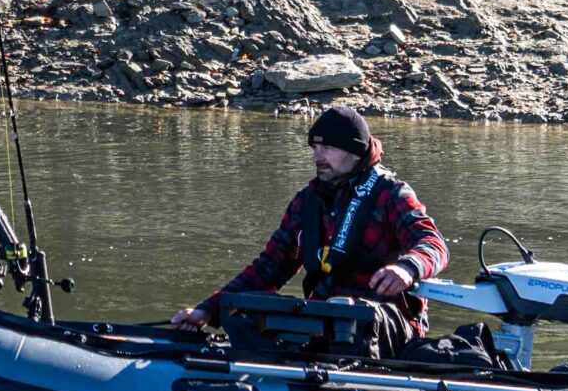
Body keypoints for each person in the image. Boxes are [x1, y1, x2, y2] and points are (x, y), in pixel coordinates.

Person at [169, 105, 448, 350]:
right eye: (314, 148)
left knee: (350, 317)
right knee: (242, 306)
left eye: (327, 148)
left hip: (385, 321)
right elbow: (269, 266)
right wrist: (209, 309)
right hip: (324, 316)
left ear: (354, 152)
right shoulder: (307, 202)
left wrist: (408, 268)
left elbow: (434, 245)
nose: (317, 157)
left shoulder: (391, 194)